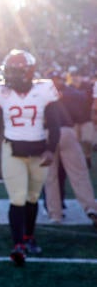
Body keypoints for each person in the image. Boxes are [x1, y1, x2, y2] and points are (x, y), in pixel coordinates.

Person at [0, 49, 61, 266]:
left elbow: (54, 124)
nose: (9, 76)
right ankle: (18, 244)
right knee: (17, 198)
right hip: (12, 149)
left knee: (33, 197)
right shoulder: (0, 91)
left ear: (27, 72)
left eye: (13, 71)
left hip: (38, 150)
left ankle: (29, 236)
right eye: (8, 71)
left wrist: (51, 149)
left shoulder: (44, 89)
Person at [43, 73, 97, 225]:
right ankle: (90, 208)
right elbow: (80, 109)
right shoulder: (69, 94)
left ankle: (55, 214)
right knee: (79, 174)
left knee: (50, 178)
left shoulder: (37, 95)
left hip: (46, 133)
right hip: (66, 130)